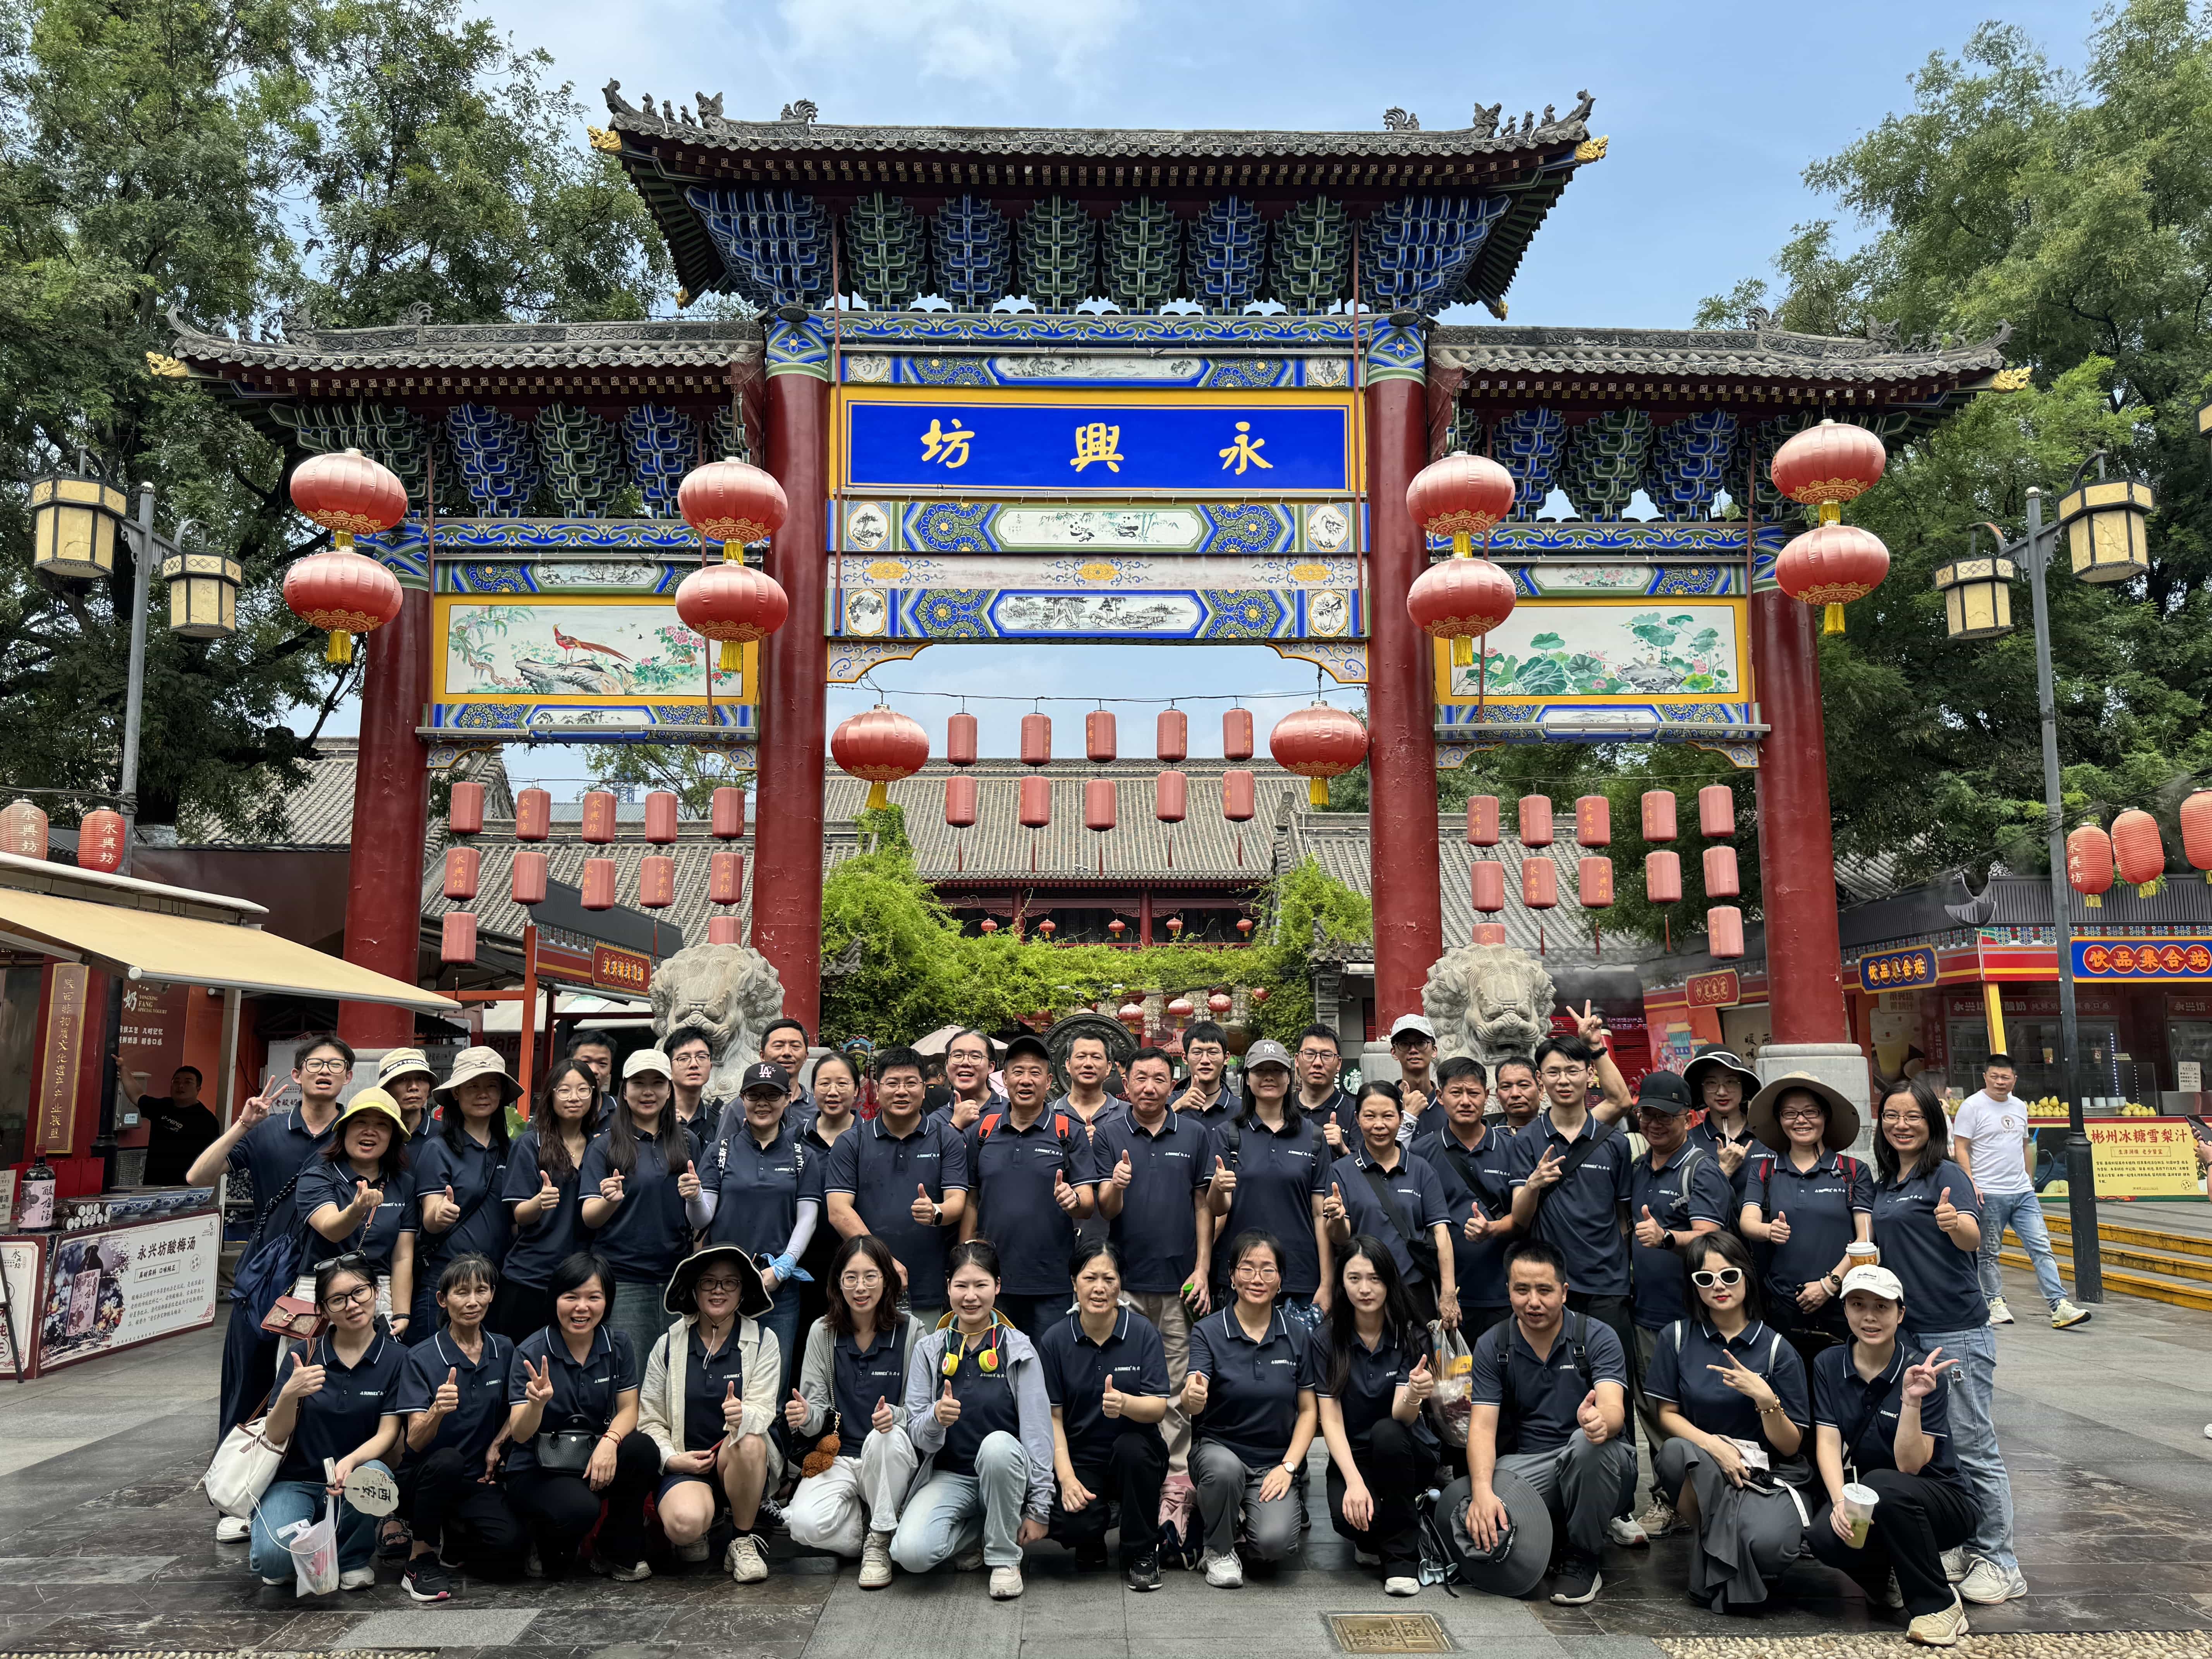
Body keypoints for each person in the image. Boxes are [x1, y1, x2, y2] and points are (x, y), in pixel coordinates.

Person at [1872, 1077, 2019, 1609]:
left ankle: (2001, 1560)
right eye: (1892, 1116)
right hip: (1908, 1333)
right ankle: (1962, 1541)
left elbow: (1972, 1238)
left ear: (1933, 1122)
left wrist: (1955, 1223)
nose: (1902, 1125)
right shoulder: (1888, 1181)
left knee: (1974, 1445)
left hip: (1954, 1329)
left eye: (1913, 1116)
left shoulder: (1946, 1173)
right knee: (1940, 1448)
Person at [1443, 1238, 1635, 1606]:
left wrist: (1600, 1422)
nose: (1533, 1302)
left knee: (1585, 1447)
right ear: (1508, 1291)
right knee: (1476, 1511)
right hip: (1532, 1467)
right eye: (1522, 1290)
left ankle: (1583, 1556)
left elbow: (1614, 1407)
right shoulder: (1494, 1344)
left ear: (1564, 1292)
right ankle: (1556, 1532)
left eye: (1545, 1290)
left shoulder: (1596, 1337)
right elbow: (1481, 1427)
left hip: (1601, 1463)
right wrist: (1482, 1493)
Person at [1803, 1265, 1979, 1646]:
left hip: (1941, 1501)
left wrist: (1911, 1402)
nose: (1869, 1317)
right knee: (1824, 1535)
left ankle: (1940, 1605)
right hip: (1876, 1499)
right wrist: (1839, 1503)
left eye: (1882, 1307)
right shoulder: (1828, 1364)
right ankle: (1888, 1578)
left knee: (1884, 1484)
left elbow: (1910, 1466)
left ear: (1901, 1314)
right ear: (1845, 1309)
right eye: (1858, 1305)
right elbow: (1828, 1442)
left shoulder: (1923, 1373)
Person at [193, 1034, 346, 1472]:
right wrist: (243, 1125)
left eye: (335, 1066)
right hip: (268, 1281)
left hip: (331, 1279)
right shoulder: (267, 1131)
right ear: (297, 1075)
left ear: (348, 1077)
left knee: (320, 1382)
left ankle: (303, 1476)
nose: (325, 1072)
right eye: (315, 1064)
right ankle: (233, 1480)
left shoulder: (356, 1132)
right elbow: (198, 1177)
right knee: (251, 1382)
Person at [1642, 1231, 1811, 1609]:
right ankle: (1728, 1553)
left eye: (1729, 1276)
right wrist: (1714, 1446)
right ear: (1694, 1286)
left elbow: (1790, 1446)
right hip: (1706, 1465)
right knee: (1674, 1453)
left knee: (1770, 1546)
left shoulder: (1777, 1350)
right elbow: (1666, 1415)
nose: (1718, 1286)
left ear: (1747, 1277)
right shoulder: (1677, 1337)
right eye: (1705, 1278)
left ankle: (1719, 1550)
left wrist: (1767, 1402)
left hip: (1765, 1473)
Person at [891, 1240, 1054, 1601]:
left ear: (998, 1286)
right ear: (948, 1286)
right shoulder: (929, 1349)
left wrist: (1040, 1507)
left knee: (997, 1446)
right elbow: (916, 1432)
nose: (970, 1296)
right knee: (911, 1555)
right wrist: (935, 1417)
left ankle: (1004, 1559)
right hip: (951, 1476)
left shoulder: (1018, 1348)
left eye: (981, 1285)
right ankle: (980, 1531)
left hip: (1005, 1477)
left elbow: (1039, 1433)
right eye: (961, 1285)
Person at [250, 1255, 404, 1595]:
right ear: (322, 1310)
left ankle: (351, 1558)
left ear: (376, 1292)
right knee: (273, 1563)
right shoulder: (303, 1355)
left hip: (353, 1479)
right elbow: (275, 1435)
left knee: (375, 1474)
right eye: (338, 1300)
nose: (352, 1305)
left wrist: (351, 1463)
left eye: (360, 1292)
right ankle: (303, 1539)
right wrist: (289, 1393)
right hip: (296, 1481)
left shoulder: (397, 1358)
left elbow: (389, 1433)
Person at [1093, 1045, 1215, 1473]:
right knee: (1124, 1378)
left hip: (1179, 1282)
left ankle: (1176, 1475)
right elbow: (1106, 1209)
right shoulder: (1109, 1134)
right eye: (1141, 1079)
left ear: (1172, 1084)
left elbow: (1204, 1205)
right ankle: (1133, 1469)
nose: (1149, 1087)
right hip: (1124, 1283)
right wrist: (1117, 1184)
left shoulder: (1194, 1134)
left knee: (1178, 1384)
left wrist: (1202, 1269)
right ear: (1126, 1084)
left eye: (1159, 1079)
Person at [504, 1250, 661, 1581]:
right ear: (555, 1299)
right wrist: (536, 1404)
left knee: (643, 1449)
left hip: (591, 1456)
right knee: (578, 1516)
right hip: (538, 1469)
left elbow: (629, 1408)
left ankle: (615, 1551)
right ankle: (540, 1538)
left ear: (608, 1301)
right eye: (571, 1297)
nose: (582, 1308)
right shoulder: (531, 1351)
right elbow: (519, 1434)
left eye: (594, 1297)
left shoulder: (618, 1344)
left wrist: (611, 1441)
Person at [783, 1234, 924, 1587]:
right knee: (802, 1525)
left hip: (891, 1456)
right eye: (851, 1278)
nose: (861, 1288)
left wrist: (896, 1416)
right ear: (838, 1283)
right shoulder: (822, 1332)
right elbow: (816, 1414)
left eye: (870, 1276)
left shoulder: (911, 1332)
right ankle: (873, 1526)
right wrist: (806, 1416)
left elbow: (920, 1414)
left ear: (887, 1280)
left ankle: (879, 1541)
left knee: (884, 1439)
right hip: (840, 1457)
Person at [1183, 1230, 1321, 1586]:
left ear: (1281, 1280)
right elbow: (1193, 1391)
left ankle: (1233, 1515)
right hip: (1221, 1451)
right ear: (1231, 1275)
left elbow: (1309, 1411)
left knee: (1274, 1546)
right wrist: (1192, 1397)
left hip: (1273, 1463)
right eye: (1247, 1269)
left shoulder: (1298, 1335)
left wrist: (1288, 1467)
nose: (1257, 1279)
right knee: (1224, 1472)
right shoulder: (1209, 1331)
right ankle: (1218, 1548)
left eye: (1268, 1270)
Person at [1623, 1068, 1731, 1522]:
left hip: (1693, 1317)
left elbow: (1711, 1237)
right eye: (1647, 1115)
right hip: (1646, 1313)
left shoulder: (1701, 1169)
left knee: (1695, 1409)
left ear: (1688, 1118)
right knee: (1653, 1410)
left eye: (1665, 1116)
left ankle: (1712, 1495)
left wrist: (1667, 1237)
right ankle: (1669, 1498)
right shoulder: (1637, 1169)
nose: (1654, 1124)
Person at [639, 1245, 783, 1583]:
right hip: (687, 1462)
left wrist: (742, 1413)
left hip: (736, 1462)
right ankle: (705, 1521)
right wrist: (673, 1459)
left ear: (743, 1291)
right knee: (684, 1527)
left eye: (730, 1282)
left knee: (751, 1442)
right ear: (694, 1289)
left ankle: (742, 1540)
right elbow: (650, 1419)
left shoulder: (764, 1340)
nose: (719, 1290)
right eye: (709, 1282)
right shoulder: (669, 1344)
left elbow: (764, 1409)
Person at [1038, 1240, 1171, 1589]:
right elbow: (1053, 1418)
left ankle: (1142, 1550)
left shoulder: (1142, 1332)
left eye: (1109, 1279)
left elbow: (1158, 1408)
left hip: (1137, 1453)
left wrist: (1126, 1404)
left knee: (1132, 1450)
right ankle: (1093, 1532)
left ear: (1121, 1284)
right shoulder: (1055, 1340)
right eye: (1090, 1278)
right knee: (1072, 1524)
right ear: (1074, 1283)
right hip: (1081, 1457)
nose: (1099, 1288)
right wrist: (1067, 1478)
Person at [394, 1254, 526, 1602]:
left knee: (510, 1553)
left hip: (477, 1480)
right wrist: (437, 1411)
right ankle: (419, 1559)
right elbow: (414, 1442)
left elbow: (517, 1407)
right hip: (425, 1477)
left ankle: (456, 1535)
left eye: (481, 1290)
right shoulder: (421, 1357)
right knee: (448, 1460)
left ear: (492, 1294)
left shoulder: (504, 1348)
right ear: (442, 1299)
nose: (472, 1301)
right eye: (462, 1292)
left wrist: (498, 1443)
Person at [1315, 1234, 1439, 1597]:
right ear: (1342, 1283)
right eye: (1354, 1278)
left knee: (1387, 1431)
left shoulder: (1410, 1334)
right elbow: (1330, 1420)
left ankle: (1401, 1558)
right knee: (1348, 1519)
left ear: (1390, 1281)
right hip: (1356, 1455)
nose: (1365, 1289)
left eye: (1375, 1279)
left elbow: (1402, 1416)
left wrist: (1415, 1393)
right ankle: (1385, 1531)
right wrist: (1354, 1482)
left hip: (1405, 1448)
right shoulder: (1326, 1338)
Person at [690, 1061, 819, 1394]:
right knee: (720, 1380)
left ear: (787, 1099)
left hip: (778, 1287)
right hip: (724, 1285)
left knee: (773, 1384)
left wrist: (785, 1266)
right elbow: (702, 1219)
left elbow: (808, 1217)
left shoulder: (802, 1156)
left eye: (772, 1095)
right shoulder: (720, 1151)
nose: (763, 1103)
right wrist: (694, 1198)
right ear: (743, 1100)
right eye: (754, 1095)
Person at [1508, 1035, 1636, 1361]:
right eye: (1553, 1073)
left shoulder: (1615, 1143)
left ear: (1590, 1074)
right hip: (1549, 1283)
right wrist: (1533, 1185)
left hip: (1607, 1283)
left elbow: (1623, 1216)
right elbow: (1520, 1218)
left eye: (1572, 1071)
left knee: (1613, 1373)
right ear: (1541, 1079)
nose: (1563, 1080)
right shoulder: (1526, 1141)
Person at [823, 1046, 969, 1330]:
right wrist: (884, 1262)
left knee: (924, 1355)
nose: (902, 1091)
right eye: (893, 1083)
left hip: (927, 1284)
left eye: (911, 1083)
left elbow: (957, 1202)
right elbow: (838, 1212)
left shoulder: (946, 1139)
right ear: (878, 1090)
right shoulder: (852, 1142)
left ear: (924, 1090)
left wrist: (936, 1212)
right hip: (863, 1286)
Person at [960, 1034, 1096, 1338]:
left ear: (1048, 1082)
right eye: (1018, 1072)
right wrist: (966, 1261)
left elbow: (1088, 1204)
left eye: (1035, 1073)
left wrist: (1073, 1200)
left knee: (1048, 1361)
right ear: (1005, 1079)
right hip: (992, 1281)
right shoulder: (981, 1132)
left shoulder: (1067, 1132)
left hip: (1052, 1282)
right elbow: (971, 1200)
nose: (1026, 1080)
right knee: (993, 1361)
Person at [579, 1049, 704, 1363]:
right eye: (639, 1084)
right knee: (631, 1375)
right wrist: (609, 1202)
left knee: (676, 1374)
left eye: (658, 1083)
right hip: (624, 1280)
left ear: (669, 1090)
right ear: (624, 1091)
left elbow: (699, 1219)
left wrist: (696, 1196)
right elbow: (589, 1217)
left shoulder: (688, 1141)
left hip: (677, 1279)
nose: (648, 1092)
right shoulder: (605, 1145)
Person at [1740, 1072, 1872, 1367]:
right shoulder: (1765, 1170)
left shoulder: (1853, 1171)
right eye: (1790, 1113)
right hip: (1782, 1305)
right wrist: (1768, 1230)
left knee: (1842, 1379)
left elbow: (1865, 1238)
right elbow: (1747, 1222)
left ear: (1825, 1116)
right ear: (1779, 1120)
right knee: (1787, 1381)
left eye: (1810, 1112)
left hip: (1843, 1302)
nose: (1801, 1120)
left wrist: (1829, 1285)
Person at [1954, 1055, 2089, 1330]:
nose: (2000, 1082)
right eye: (1995, 1077)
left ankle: (2059, 1305)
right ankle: (1994, 1302)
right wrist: (1971, 1183)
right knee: (1989, 1252)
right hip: (1989, 1192)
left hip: (2023, 1193)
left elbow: (2025, 1144)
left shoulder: (2019, 1106)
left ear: (2014, 1080)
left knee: (2042, 1247)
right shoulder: (1972, 1106)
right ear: (1985, 1077)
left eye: (2005, 1078)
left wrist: (2030, 1179)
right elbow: (1961, 1147)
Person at [1205, 1039, 1332, 1328]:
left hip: (1299, 1274)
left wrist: (1326, 1282)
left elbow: (1319, 1214)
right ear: (1248, 1079)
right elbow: (1217, 1208)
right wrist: (1217, 1187)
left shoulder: (1313, 1136)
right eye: (1261, 1070)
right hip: (1242, 1273)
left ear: (1290, 1078)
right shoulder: (1228, 1135)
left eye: (1277, 1070)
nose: (1269, 1077)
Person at [1326, 1082, 1457, 1324]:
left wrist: (1448, 1292)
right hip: (1362, 1291)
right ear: (1357, 1119)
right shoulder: (1341, 1171)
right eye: (1370, 1116)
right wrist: (1337, 1218)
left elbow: (1442, 1234)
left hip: (1414, 1291)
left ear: (1401, 1118)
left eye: (1388, 1116)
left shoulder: (1421, 1169)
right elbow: (1340, 1237)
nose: (1379, 1125)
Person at [410, 1048, 516, 1341]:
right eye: (473, 1086)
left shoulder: (511, 1150)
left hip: (493, 1286)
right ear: (456, 1093)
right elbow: (431, 1219)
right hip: (447, 1282)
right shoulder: (438, 1149)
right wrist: (440, 1213)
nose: (483, 1094)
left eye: (492, 1086)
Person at [299, 1088, 417, 1339]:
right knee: (310, 1364)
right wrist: (356, 1210)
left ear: (393, 1137)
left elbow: (402, 1256)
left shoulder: (404, 1184)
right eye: (361, 1122)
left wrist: (402, 1312)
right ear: (344, 1130)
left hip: (379, 1292)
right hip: (320, 1292)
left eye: (382, 1125)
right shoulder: (318, 1176)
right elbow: (331, 1230)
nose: (370, 1131)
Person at [496, 1060, 600, 1344]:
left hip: (581, 1279)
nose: (574, 1097)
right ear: (550, 1096)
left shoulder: (600, 1146)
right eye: (564, 1090)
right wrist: (539, 1202)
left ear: (594, 1095)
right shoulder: (531, 1144)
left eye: (583, 1090)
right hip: (531, 1277)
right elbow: (520, 1215)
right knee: (521, 1361)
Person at [1414, 1056, 1516, 1335]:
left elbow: (1523, 1216)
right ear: (1440, 1096)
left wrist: (1493, 1228)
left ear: (1487, 1095)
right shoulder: (1420, 1153)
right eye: (1456, 1093)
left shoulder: (1512, 1149)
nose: (1466, 1101)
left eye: (1473, 1093)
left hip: (1504, 1292)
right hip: (1442, 1294)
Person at [796, 1051, 862, 1332]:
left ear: (857, 1090)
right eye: (824, 1084)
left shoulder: (870, 1138)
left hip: (857, 1258)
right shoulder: (795, 1139)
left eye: (842, 1084)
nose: (833, 1092)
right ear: (813, 1089)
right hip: (804, 1261)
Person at [1685, 1046, 1762, 1207]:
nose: (1721, 1092)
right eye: (1711, 1083)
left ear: (1743, 1086)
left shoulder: (1767, 1138)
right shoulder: (1688, 1143)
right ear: (1701, 1088)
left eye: (1731, 1082)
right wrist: (1723, 1172)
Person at [134, 1064, 218, 1186]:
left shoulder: (207, 1121)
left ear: (198, 1089)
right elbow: (137, 1095)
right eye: (176, 1082)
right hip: (153, 1186)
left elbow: (212, 1160)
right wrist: (123, 1068)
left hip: (185, 1189)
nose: (181, 1086)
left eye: (188, 1082)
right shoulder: (162, 1106)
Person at [1294, 1024, 1360, 1153]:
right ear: (1297, 1060)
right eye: (1310, 1054)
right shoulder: (1282, 1109)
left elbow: (1364, 1163)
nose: (1318, 1063)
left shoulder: (1355, 1114)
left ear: (1339, 1064)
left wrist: (1343, 1150)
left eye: (1327, 1056)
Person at [1057, 1032, 1125, 1139]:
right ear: (1068, 1064)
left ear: (1108, 1067)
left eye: (1096, 1057)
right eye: (1081, 1057)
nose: (1088, 1064)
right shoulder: (1049, 1114)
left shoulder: (1127, 1114)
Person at [1176, 1021, 1242, 1127]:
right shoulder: (1170, 1103)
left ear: (1226, 1058)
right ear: (1185, 1058)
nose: (1205, 1061)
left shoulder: (1241, 1110)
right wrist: (1176, 1107)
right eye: (1197, 1052)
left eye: (1213, 1052)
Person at [1387, 1015, 1441, 1142]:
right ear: (1394, 1052)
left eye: (1421, 1043)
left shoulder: (1447, 1103)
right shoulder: (1385, 1103)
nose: (1413, 1050)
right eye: (1404, 1044)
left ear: (1434, 1051)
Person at [667, 1029, 726, 1146]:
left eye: (701, 1057)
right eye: (684, 1059)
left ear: (711, 1066)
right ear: (669, 1069)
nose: (694, 1064)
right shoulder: (656, 1118)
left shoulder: (720, 1123)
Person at [938, 1029, 1003, 1132]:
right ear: (947, 1066)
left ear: (991, 1067)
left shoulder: (1012, 1112)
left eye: (975, 1057)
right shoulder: (935, 1122)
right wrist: (955, 1125)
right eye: (958, 1056)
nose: (965, 1063)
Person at [378, 1049, 440, 1145]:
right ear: (386, 1089)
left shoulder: (446, 1135)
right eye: (403, 1079)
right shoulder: (377, 1134)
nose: (414, 1087)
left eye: (421, 1079)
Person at [761, 1018, 814, 1115]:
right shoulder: (743, 1107)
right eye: (778, 1046)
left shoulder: (818, 1109)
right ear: (763, 1056)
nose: (787, 1053)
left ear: (806, 1057)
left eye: (795, 1046)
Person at [567, 1033, 619, 1115]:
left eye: (603, 1063)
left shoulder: (623, 1111)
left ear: (610, 1068)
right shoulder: (552, 1109)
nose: (594, 1070)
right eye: (585, 1062)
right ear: (569, 1064)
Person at [1490, 1056, 1542, 1134]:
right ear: (1498, 1095)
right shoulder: (1488, 1137)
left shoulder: (1558, 1133)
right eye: (1506, 1087)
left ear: (1540, 1091)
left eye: (1524, 1085)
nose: (1515, 1094)